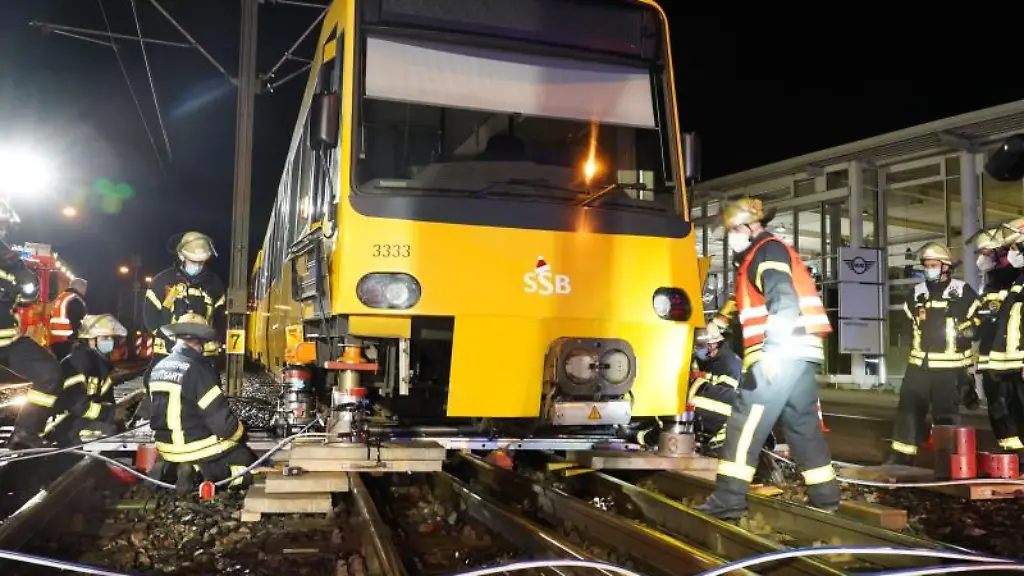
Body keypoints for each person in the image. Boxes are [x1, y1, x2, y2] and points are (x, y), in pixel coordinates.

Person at [695, 197, 838, 519]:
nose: (728, 236)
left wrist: (772, 352)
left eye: (731, 230)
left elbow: (783, 301)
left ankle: (728, 502)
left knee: (744, 423)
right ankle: (826, 499)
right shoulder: (761, 255)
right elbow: (745, 301)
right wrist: (719, 322)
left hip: (779, 353)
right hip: (799, 352)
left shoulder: (766, 251)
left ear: (748, 226)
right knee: (802, 426)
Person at [886, 242, 981, 465]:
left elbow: (979, 319)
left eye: (933, 264)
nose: (928, 268)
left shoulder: (962, 291)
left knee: (945, 415)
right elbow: (911, 325)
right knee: (908, 411)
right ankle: (901, 457)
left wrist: (970, 330)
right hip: (919, 366)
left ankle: (948, 461)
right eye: (926, 265)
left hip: (950, 368)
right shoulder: (916, 293)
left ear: (946, 266)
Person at [147, 313, 254, 494]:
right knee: (247, 463)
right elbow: (224, 425)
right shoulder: (197, 369)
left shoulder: (159, 367)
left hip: (165, 447)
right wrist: (241, 432)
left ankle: (173, 469)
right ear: (199, 342)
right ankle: (200, 473)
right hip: (193, 447)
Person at [0, 200, 65, 449]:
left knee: (49, 374)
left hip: (9, 341)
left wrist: (23, 274)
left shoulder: (10, 262)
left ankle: (25, 433)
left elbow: (28, 294)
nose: (3, 232)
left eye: (4, 227)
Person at [143, 232, 226, 390]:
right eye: (194, 261)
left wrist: (206, 343)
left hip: (204, 357)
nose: (198, 265)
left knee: (207, 396)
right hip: (167, 354)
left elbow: (220, 322)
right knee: (160, 394)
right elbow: (151, 320)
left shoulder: (214, 285)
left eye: (202, 262)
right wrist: (173, 342)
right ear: (181, 255)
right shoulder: (161, 282)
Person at [972, 227, 1023, 456]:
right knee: (1000, 411)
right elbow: (983, 322)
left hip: (1019, 363)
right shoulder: (991, 285)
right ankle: (1014, 460)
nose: (987, 258)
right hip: (993, 363)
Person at [42, 314, 125, 446]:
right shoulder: (77, 363)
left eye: (111, 338)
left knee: (117, 428)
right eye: (104, 338)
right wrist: (109, 413)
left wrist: (116, 415)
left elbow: (107, 399)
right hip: (59, 426)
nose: (110, 342)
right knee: (108, 430)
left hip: (78, 421)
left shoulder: (99, 366)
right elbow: (75, 404)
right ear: (90, 341)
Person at [688, 323, 743, 450]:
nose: (697, 349)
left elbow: (723, 397)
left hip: (730, 416)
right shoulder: (712, 359)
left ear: (713, 345)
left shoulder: (729, 364)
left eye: (700, 346)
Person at [48, 277, 88, 361]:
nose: (85, 292)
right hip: (68, 341)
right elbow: (76, 321)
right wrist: (77, 339)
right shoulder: (75, 299)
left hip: (54, 340)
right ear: (81, 288)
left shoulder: (60, 298)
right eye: (85, 289)